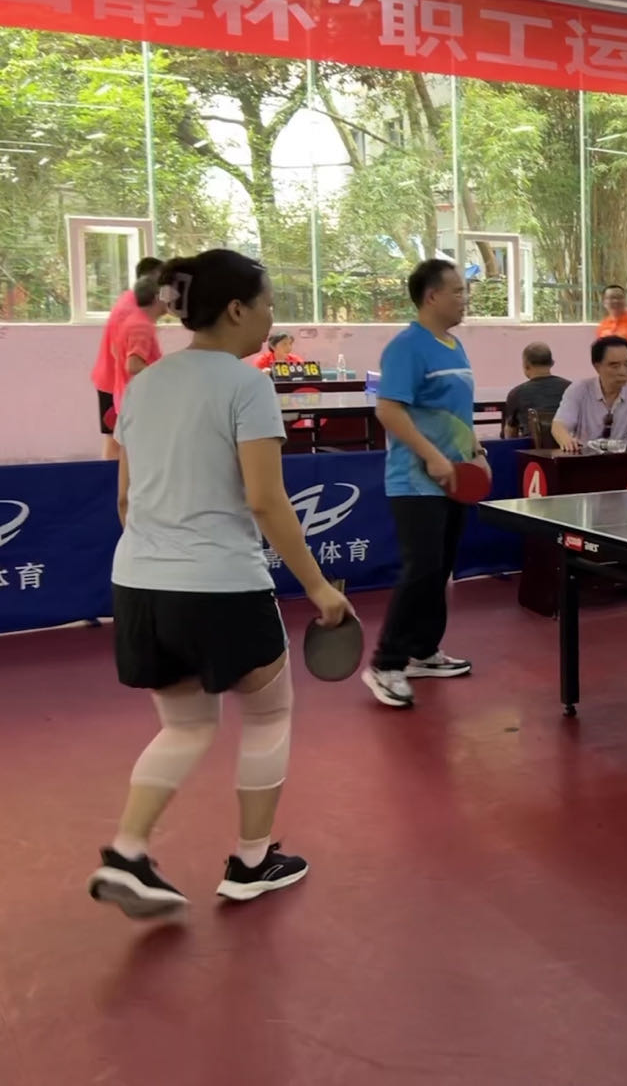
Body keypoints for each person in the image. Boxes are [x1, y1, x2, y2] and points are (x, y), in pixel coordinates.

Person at [89, 249, 351, 918]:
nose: (270, 316)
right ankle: (252, 861)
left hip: (139, 584)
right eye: (266, 303)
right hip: (220, 585)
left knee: (185, 727)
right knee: (268, 713)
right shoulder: (246, 384)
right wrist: (319, 587)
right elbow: (266, 500)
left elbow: (125, 499)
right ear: (236, 309)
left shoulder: (143, 385)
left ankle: (127, 851)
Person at [364, 259, 483, 710]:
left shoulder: (453, 345)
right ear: (431, 296)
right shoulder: (406, 347)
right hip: (415, 481)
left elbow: (455, 411)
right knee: (421, 569)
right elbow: (388, 410)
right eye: (457, 291)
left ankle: (423, 651)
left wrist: (474, 447)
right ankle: (385, 663)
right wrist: (432, 456)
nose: (464, 298)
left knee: (440, 568)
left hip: (453, 478)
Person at [91, 257, 163, 459]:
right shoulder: (136, 315)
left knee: (116, 440)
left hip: (115, 381)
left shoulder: (129, 300)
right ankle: (113, 478)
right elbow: (131, 361)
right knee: (116, 442)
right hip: (115, 383)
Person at [552, 336, 627, 451]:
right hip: (584, 457)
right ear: (597, 366)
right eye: (615, 366)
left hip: (624, 458)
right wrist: (567, 441)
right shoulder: (579, 389)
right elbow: (559, 425)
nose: (623, 372)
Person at [501, 341, 569, 438]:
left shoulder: (516, 394)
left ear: (526, 365)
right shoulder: (570, 388)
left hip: (531, 446)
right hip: (568, 445)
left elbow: (511, 434)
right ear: (552, 363)